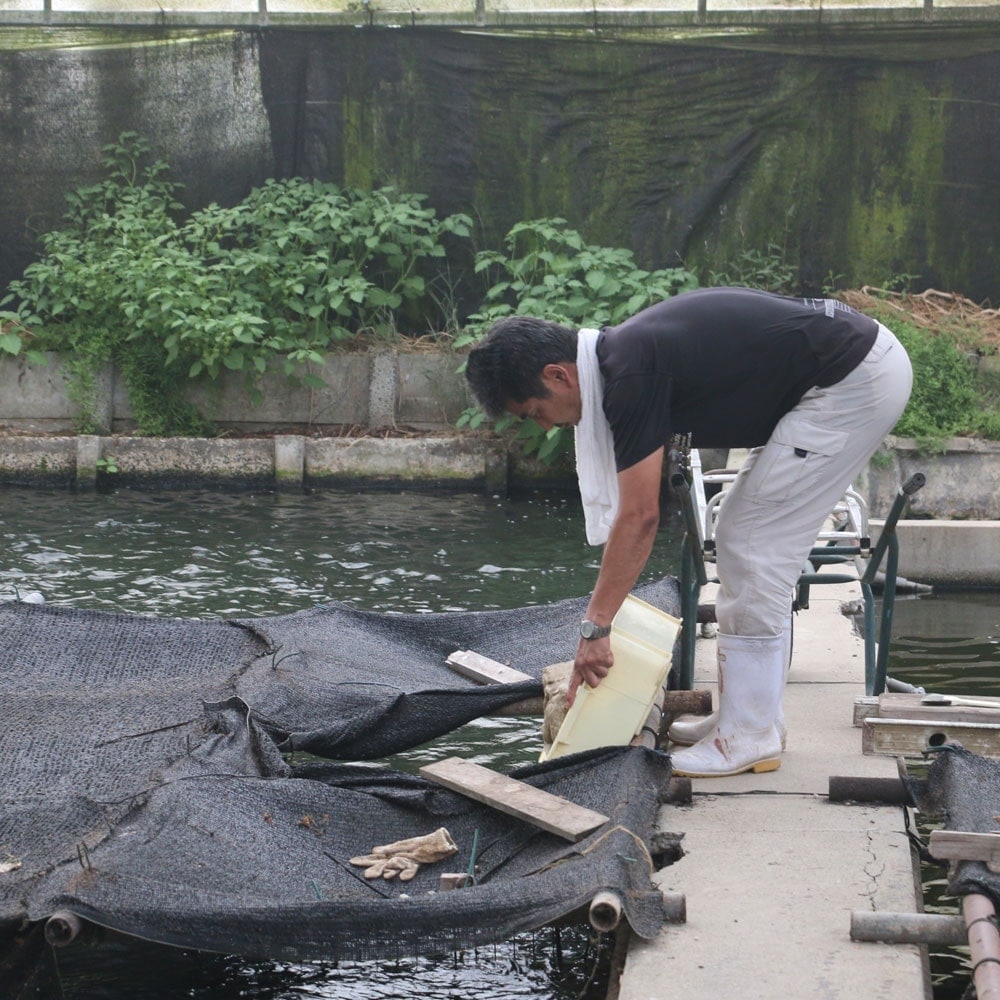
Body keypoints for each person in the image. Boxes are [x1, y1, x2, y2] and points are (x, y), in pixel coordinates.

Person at [464, 286, 913, 778]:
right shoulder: (622, 360)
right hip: (846, 372)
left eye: (535, 411)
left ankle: (749, 734)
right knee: (742, 535)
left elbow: (640, 518)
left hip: (853, 382)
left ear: (558, 375)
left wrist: (596, 628)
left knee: (752, 544)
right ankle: (749, 716)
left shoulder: (629, 376)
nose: (547, 427)